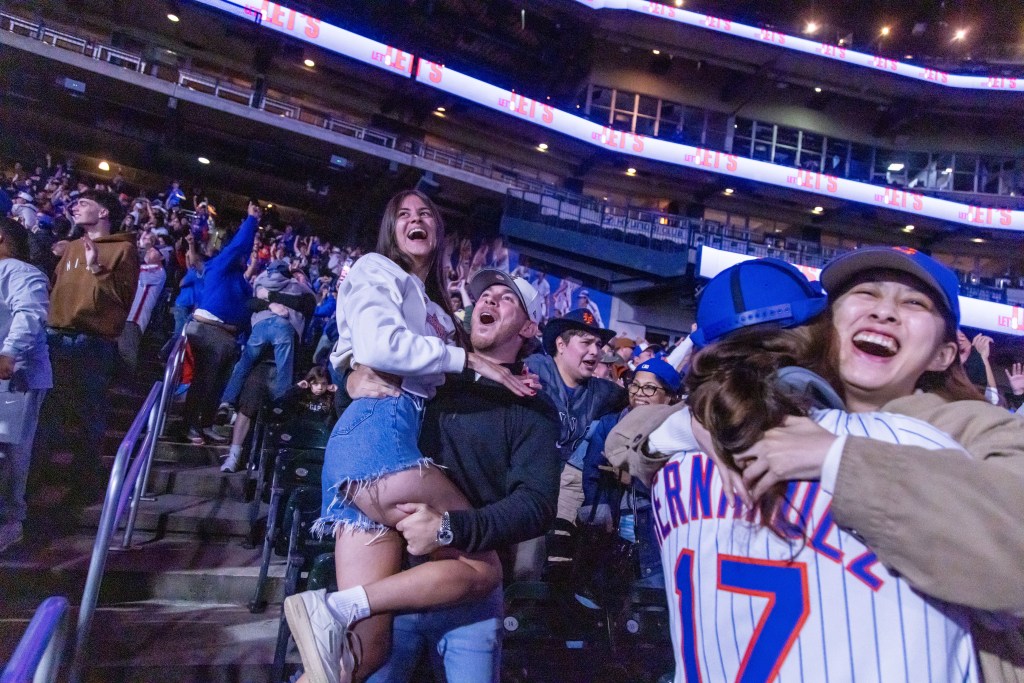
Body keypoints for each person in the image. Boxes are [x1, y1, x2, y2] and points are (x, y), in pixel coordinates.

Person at [610, 253, 1022, 681]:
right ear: (826, 325)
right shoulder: (745, 417)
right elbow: (628, 442)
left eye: (914, 304)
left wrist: (839, 458)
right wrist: (689, 423)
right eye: (865, 293)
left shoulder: (971, 430)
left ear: (943, 355)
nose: (884, 311)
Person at [284, 191, 533, 683]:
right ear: (390, 231)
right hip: (379, 440)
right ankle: (333, 606)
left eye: (426, 214)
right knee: (483, 571)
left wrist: (347, 369)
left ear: (439, 232)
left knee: (364, 655)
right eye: (403, 214)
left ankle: (332, 619)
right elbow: (380, 345)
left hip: (374, 454)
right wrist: (349, 373)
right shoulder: (378, 268)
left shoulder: (433, 303)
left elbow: (363, 346)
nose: (416, 220)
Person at [344, 267, 560, 683]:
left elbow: (536, 505)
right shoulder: (429, 378)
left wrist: (449, 528)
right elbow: (364, 427)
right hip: (395, 582)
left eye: (506, 298)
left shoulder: (532, 408)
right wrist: (350, 379)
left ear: (530, 327)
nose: (488, 300)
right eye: (484, 295)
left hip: (471, 598)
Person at [38, 190, 137, 480]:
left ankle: (84, 476)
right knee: (48, 408)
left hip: (92, 340)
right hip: (55, 334)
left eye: (83, 203)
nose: (74, 206)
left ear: (103, 212)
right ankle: (39, 471)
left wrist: (96, 266)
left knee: (88, 412)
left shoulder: (124, 250)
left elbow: (123, 297)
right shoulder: (70, 247)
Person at [181, 202, 261, 445]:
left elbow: (246, 311)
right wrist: (252, 221)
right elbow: (238, 247)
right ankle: (190, 426)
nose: (245, 257)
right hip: (209, 330)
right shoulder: (219, 265)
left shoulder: (241, 281)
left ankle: (205, 424)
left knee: (218, 385)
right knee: (204, 382)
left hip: (229, 337)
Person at [0, 219, 52, 552]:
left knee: (9, 453)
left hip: (15, 377)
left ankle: (10, 522)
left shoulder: (22, 272)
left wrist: (9, 351)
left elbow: (31, 312)